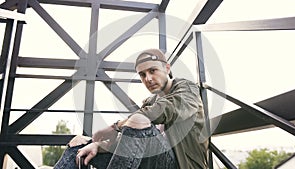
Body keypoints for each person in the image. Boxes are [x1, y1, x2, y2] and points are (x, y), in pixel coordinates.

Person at [54, 48, 209, 169]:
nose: (148, 79)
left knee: (138, 120)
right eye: (142, 75)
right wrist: (97, 146)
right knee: (80, 144)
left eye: (153, 71)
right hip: (148, 161)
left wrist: (115, 127)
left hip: (180, 166)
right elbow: (130, 143)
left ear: (167, 68)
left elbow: (165, 110)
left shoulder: (187, 88)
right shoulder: (150, 102)